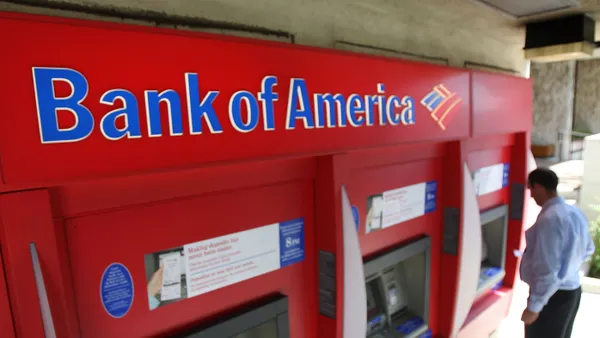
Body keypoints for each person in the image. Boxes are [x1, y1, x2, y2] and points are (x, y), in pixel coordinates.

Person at [520, 168, 595, 338]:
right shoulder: (575, 212)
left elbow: (547, 267)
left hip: (552, 297)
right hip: (571, 293)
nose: (531, 195)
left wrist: (534, 306)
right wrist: (569, 268)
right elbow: (589, 249)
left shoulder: (549, 219)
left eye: (531, 189)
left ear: (538, 186)